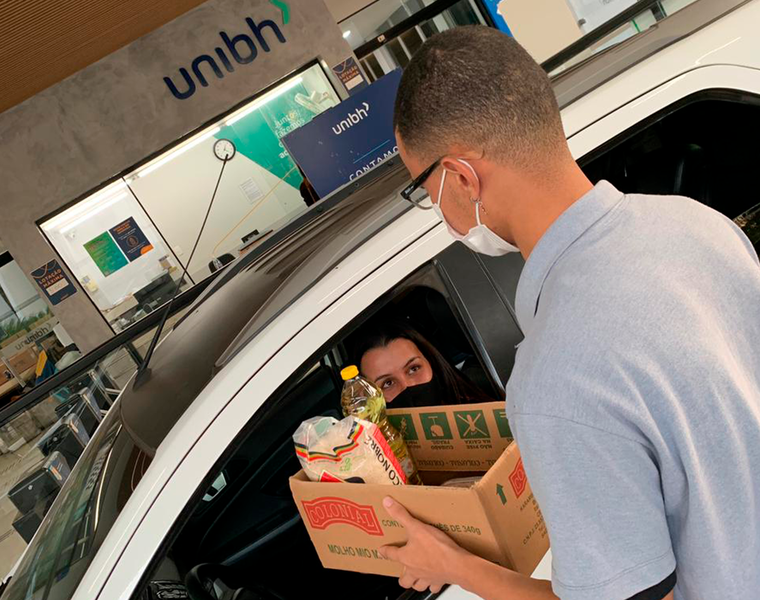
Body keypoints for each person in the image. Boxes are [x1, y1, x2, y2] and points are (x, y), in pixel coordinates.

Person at [380, 26, 760, 600]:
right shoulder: (699, 225)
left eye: (422, 188)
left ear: (461, 178)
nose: (433, 206)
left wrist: (454, 564)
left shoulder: (557, 375)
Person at [354, 320, 493, 407]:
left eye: (414, 369)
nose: (408, 386)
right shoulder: (376, 452)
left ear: (432, 363)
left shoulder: (488, 417)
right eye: (388, 383)